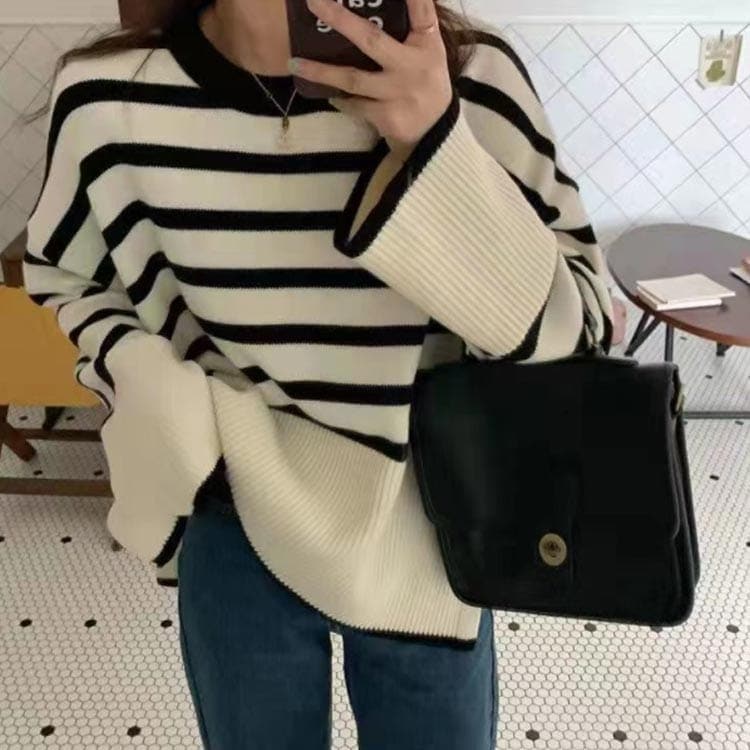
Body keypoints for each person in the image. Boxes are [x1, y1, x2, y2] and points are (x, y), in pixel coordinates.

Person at [22, 0, 614, 747]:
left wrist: (435, 145)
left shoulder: (471, 74)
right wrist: (158, 392)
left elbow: (580, 329)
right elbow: (68, 277)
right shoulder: (109, 96)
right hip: (233, 511)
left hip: (431, 523)